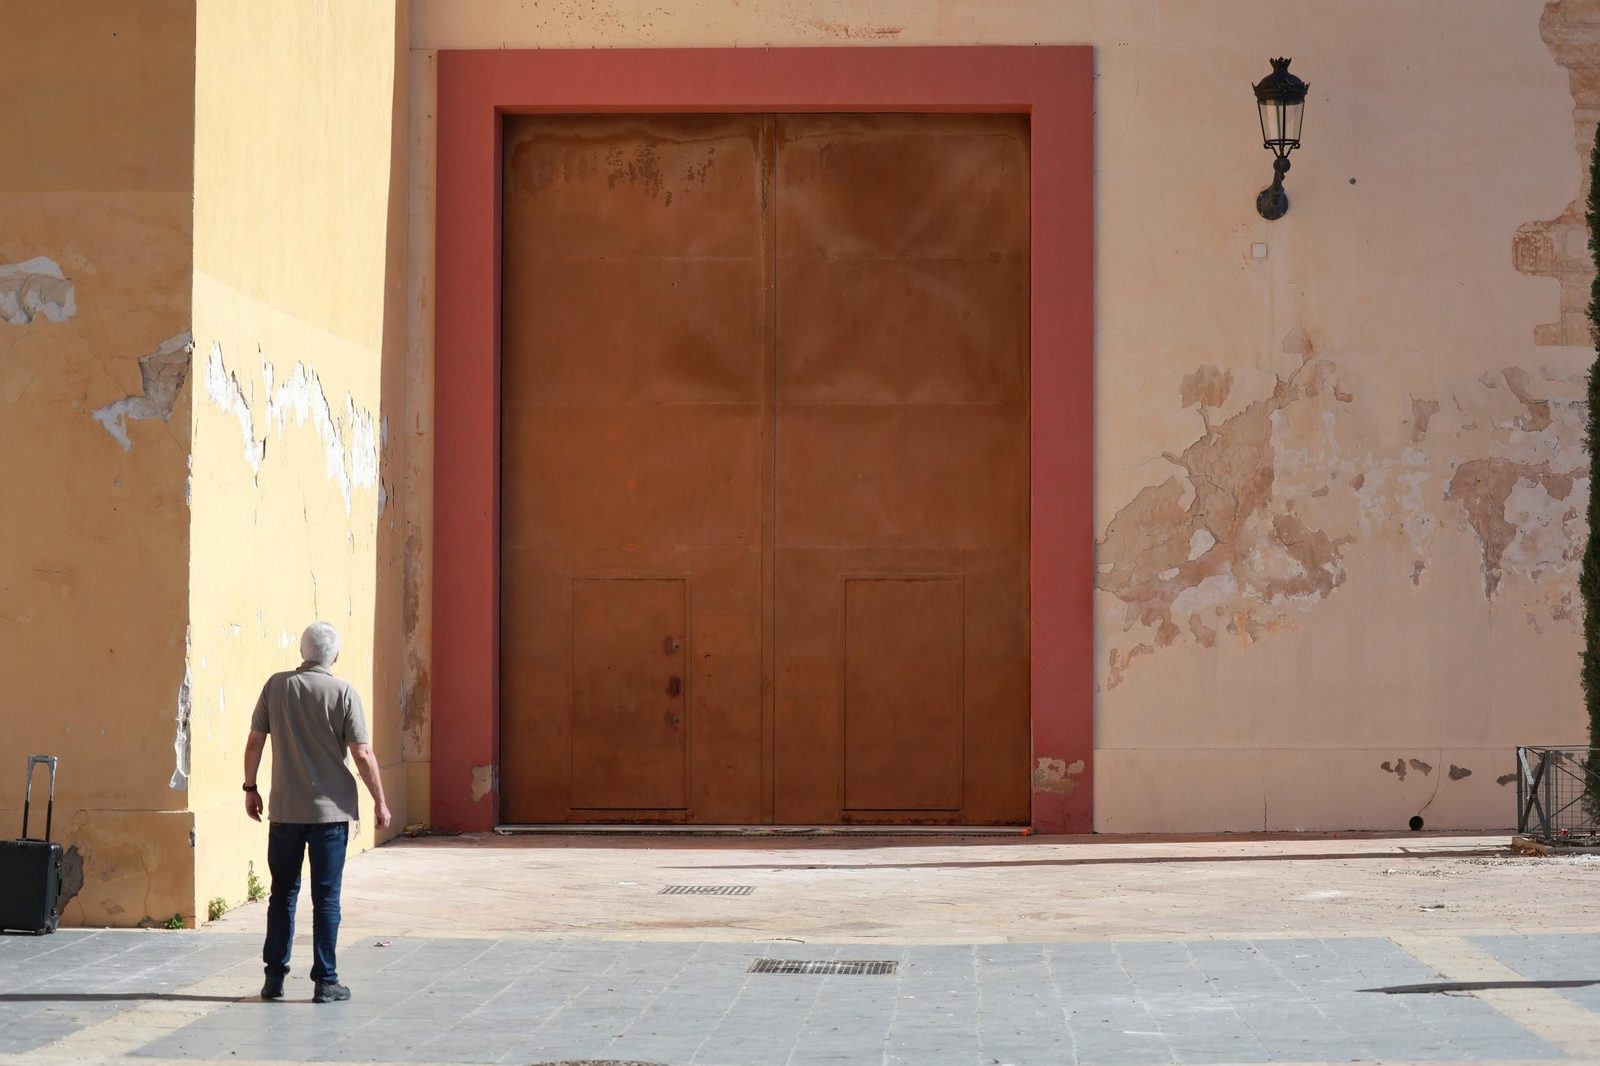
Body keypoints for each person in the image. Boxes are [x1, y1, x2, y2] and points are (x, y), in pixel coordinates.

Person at [243, 621, 390, 1003]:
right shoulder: (343, 693)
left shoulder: (276, 686)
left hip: (285, 812)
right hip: (330, 816)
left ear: (302, 651)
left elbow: (255, 741)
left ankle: (273, 978)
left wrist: (250, 788)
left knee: (282, 894)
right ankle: (325, 981)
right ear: (335, 656)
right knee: (326, 898)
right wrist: (380, 801)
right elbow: (362, 753)